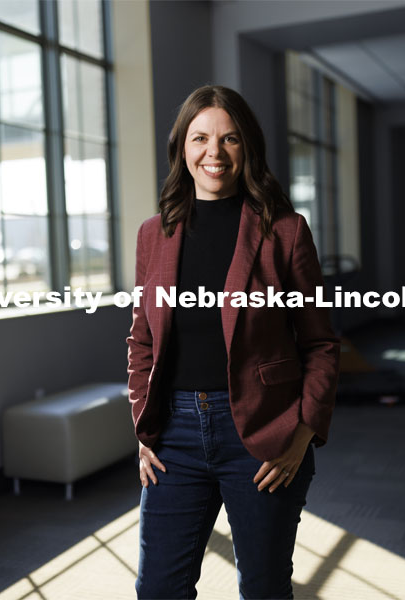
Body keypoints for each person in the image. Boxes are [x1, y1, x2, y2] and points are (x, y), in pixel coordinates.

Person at [126, 84, 340, 600]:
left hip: (262, 433)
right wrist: (143, 426)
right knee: (158, 590)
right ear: (183, 147)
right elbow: (141, 339)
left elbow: (320, 345)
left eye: (230, 139)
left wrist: (302, 432)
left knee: (264, 588)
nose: (214, 153)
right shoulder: (154, 233)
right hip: (174, 436)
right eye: (200, 138)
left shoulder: (285, 232)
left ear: (249, 148)